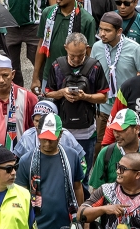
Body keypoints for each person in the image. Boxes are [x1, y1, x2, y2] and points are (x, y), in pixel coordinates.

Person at [15, 114, 87, 229]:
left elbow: (78, 186)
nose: (47, 143)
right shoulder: (26, 160)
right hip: (37, 227)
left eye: (51, 139)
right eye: (44, 138)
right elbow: (20, 194)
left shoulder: (72, 156)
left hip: (65, 226)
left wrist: (80, 216)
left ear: (60, 135)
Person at [45, 33, 108, 167]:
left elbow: (103, 97)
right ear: (65, 47)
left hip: (87, 130)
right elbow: (48, 94)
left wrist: (85, 96)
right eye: (72, 55)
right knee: (62, 169)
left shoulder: (95, 67)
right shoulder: (57, 66)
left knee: (84, 171)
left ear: (87, 48)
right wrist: (62, 92)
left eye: (81, 55)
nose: (76, 59)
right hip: (61, 129)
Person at [92, 13, 140, 151]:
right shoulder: (97, 47)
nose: (102, 34)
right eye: (100, 29)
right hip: (103, 108)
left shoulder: (135, 49)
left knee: (127, 147)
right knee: (100, 146)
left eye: (107, 30)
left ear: (119, 31)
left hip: (126, 109)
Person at [89, 109, 140, 195]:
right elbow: (96, 192)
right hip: (109, 207)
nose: (116, 134)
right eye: (114, 130)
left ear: (137, 129)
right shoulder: (105, 153)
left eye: (122, 130)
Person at [30, 0, 97, 94]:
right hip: (49, 77)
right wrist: (35, 78)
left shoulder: (87, 20)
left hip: (74, 80)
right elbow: (42, 44)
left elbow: (89, 54)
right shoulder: (47, 13)